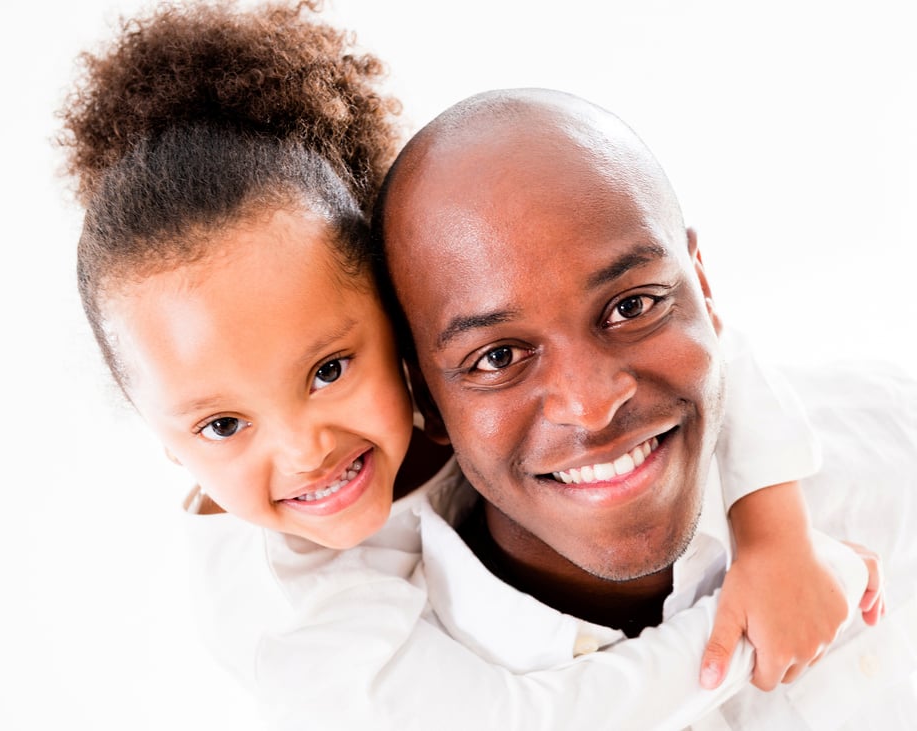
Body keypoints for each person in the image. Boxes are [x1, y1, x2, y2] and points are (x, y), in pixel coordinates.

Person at [58, 3, 880, 728]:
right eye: (224, 423)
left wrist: (772, 536)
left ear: (397, 329)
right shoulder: (294, 621)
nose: (305, 447)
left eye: (328, 371)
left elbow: (705, 339)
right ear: (166, 443)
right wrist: (746, 627)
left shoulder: (449, 385)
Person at [373, 86, 917, 728]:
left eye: (632, 306)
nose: (593, 404)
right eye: (498, 357)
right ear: (424, 399)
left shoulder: (895, 450)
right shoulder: (385, 671)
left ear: (703, 286)